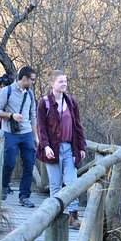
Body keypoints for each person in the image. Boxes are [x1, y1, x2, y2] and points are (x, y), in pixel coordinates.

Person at [36, 70, 87, 229]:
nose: (64, 84)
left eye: (65, 81)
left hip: (69, 148)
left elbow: (78, 126)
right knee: (56, 184)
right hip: (53, 149)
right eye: (60, 81)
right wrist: (45, 146)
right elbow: (41, 128)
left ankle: (73, 217)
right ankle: (56, 216)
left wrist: (81, 146)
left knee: (72, 183)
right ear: (52, 83)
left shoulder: (71, 102)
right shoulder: (44, 103)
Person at [0, 65, 38, 208]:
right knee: (9, 163)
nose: (33, 82)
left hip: (26, 133)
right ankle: (4, 186)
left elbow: (33, 116)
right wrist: (11, 115)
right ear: (24, 78)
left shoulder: (30, 94)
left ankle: (24, 196)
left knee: (29, 164)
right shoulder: (7, 91)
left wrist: (36, 136)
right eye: (32, 79)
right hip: (10, 133)